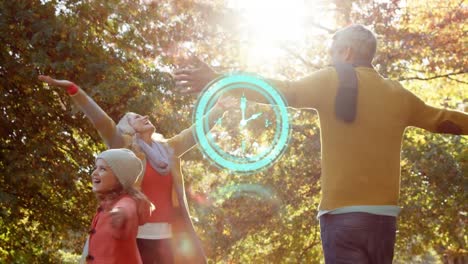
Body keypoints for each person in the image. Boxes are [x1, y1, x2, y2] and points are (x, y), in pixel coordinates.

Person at [173, 24, 468, 263]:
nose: (330, 58)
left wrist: (219, 80)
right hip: (383, 219)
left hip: (342, 218)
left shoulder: (332, 80)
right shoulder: (398, 94)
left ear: (347, 51)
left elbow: (282, 92)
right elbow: (442, 119)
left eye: (333, 51)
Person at [39, 75, 231, 263]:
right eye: (137, 118)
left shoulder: (168, 150)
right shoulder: (123, 147)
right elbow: (100, 121)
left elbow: (195, 133)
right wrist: (74, 89)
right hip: (133, 236)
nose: (145, 117)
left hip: (168, 238)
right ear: (129, 128)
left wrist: (219, 108)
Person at [81, 148, 151, 263]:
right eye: (95, 168)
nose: (94, 173)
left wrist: (121, 212)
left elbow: (127, 207)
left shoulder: (126, 201)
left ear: (119, 178)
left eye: (102, 169)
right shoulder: (105, 205)